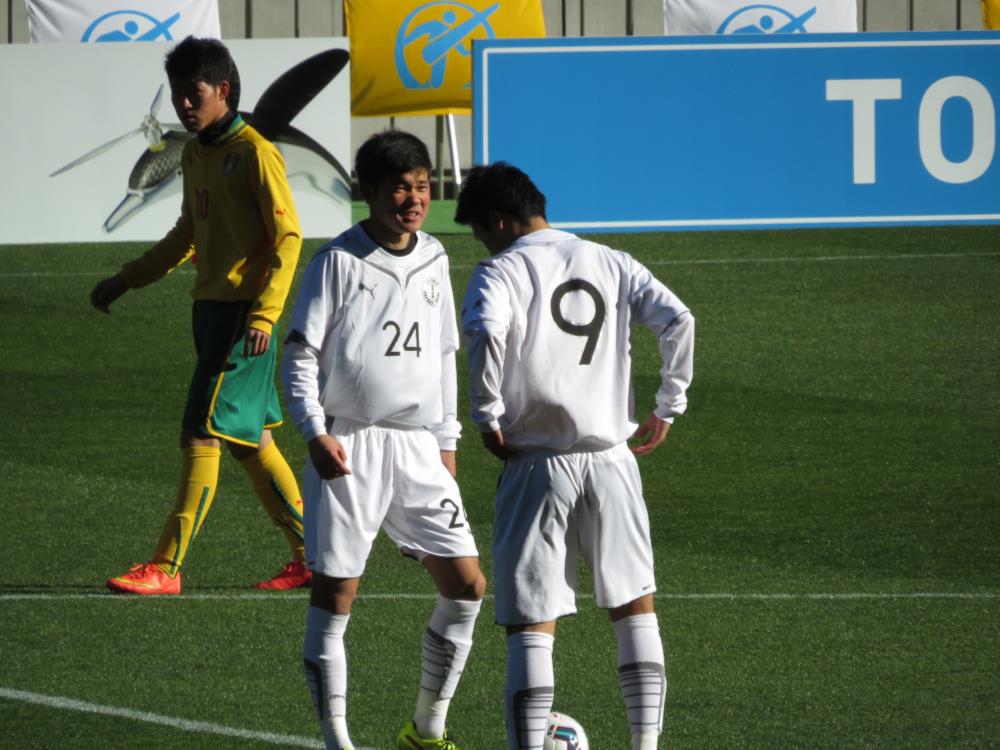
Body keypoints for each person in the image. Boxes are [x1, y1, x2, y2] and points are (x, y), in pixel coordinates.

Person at [455, 162, 695, 750]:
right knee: (635, 609)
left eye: (480, 231)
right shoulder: (611, 260)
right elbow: (678, 318)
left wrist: (486, 416)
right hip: (613, 459)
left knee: (530, 625)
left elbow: (485, 332)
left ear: (500, 221)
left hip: (536, 462)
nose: (482, 244)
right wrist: (668, 404)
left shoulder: (500, 271)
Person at [281, 130, 486, 750]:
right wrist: (314, 432)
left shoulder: (434, 257)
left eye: (422, 186)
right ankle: (337, 740)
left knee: (468, 586)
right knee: (337, 593)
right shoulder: (336, 262)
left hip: (419, 446)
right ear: (367, 191)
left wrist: (447, 440)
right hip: (351, 444)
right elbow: (299, 354)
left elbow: (445, 353)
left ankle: (426, 729)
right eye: (400, 187)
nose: (414, 198)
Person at [90, 36, 310, 595]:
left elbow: (288, 237)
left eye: (195, 94)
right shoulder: (195, 153)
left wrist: (264, 316)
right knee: (249, 443)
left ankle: (166, 566)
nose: (184, 105)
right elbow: (187, 231)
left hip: (242, 321)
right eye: (178, 94)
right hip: (211, 314)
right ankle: (315, 554)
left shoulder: (256, 153)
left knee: (201, 432)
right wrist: (127, 278)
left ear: (223, 90)